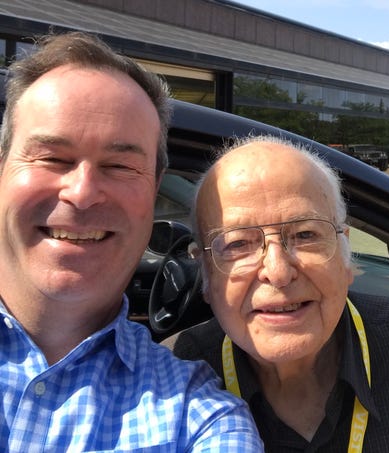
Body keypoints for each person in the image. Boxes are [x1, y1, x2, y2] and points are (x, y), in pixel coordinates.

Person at [0, 31, 263, 451]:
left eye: (120, 165)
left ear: (155, 188)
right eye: (52, 158)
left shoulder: (197, 418)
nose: (82, 192)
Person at [164, 136, 389, 452]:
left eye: (305, 234)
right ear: (205, 274)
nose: (277, 271)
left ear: (345, 256)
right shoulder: (170, 381)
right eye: (237, 244)